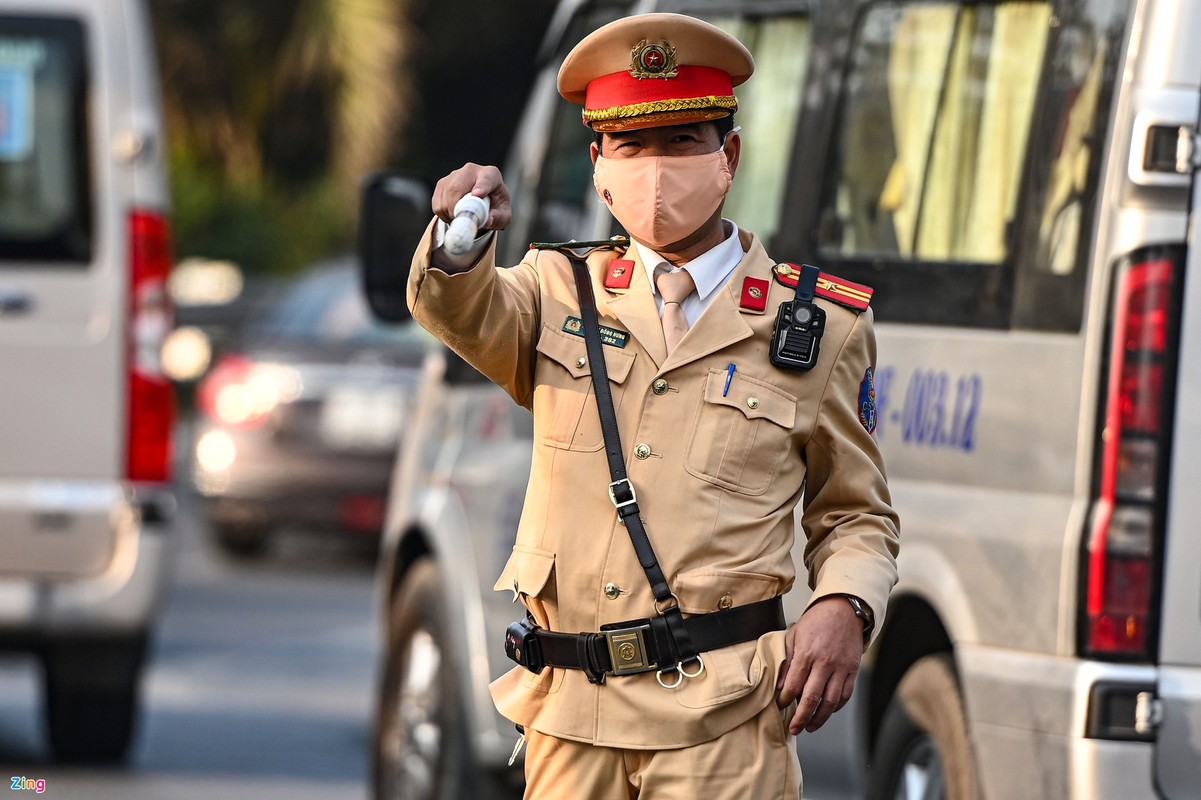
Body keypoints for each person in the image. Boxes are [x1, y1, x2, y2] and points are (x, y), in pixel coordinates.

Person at [406, 12, 899, 799]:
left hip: (724, 718)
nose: (657, 171)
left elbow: (854, 515)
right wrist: (458, 236)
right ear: (598, 163)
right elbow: (461, 311)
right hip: (571, 715)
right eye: (631, 147)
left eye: (682, 141)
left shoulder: (818, 327)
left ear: (727, 155)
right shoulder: (553, 290)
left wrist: (844, 604)